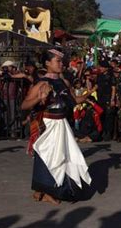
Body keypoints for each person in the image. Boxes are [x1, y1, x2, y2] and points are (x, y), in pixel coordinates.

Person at [22, 49, 92, 205]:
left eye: (62, 61)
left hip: (62, 124)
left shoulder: (63, 82)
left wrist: (89, 95)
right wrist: (39, 98)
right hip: (48, 124)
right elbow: (24, 105)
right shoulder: (41, 83)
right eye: (57, 61)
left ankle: (45, 190)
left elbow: (75, 100)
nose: (61, 64)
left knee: (63, 157)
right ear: (47, 63)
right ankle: (46, 191)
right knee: (48, 157)